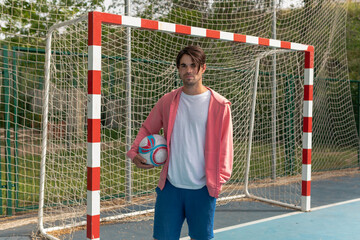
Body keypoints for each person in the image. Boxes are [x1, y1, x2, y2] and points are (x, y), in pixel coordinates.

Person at [127, 45, 233, 240]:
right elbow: (147, 128)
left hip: (202, 189)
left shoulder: (219, 105)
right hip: (171, 188)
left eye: (193, 65)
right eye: (183, 66)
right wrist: (134, 153)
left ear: (203, 68)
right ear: (178, 69)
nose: (188, 70)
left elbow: (226, 146)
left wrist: (219, 179)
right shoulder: (168, 101)